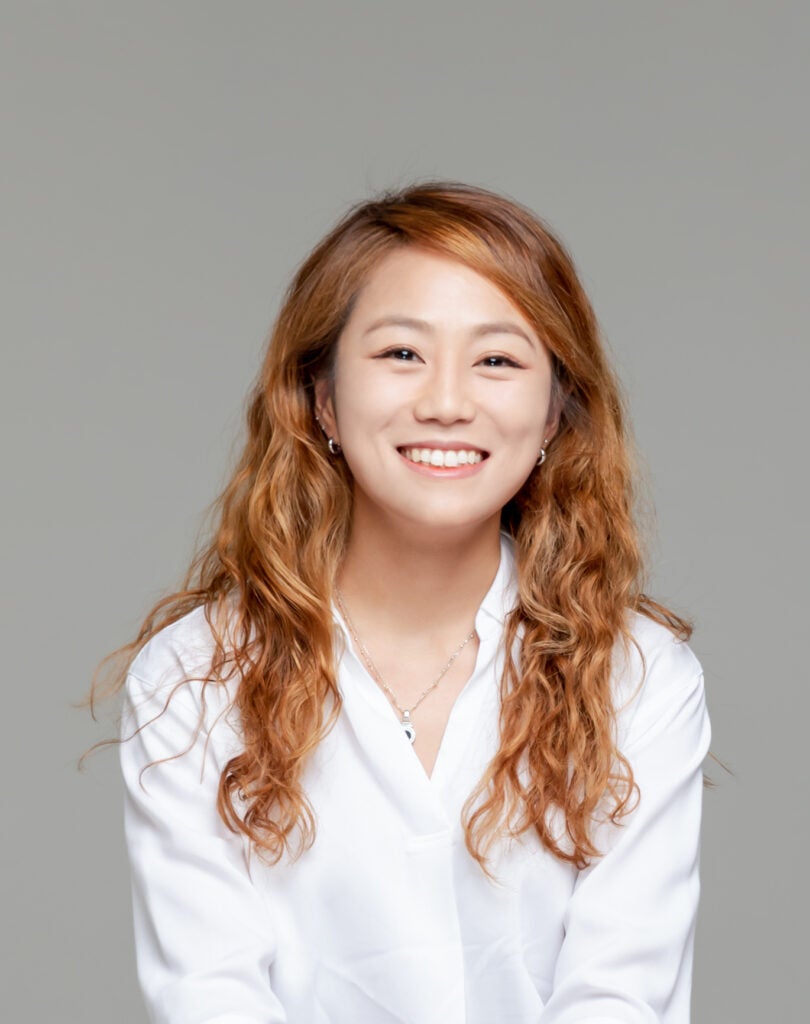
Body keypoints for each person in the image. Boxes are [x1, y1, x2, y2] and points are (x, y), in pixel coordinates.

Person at [99, 180, 711, 1023]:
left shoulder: (641, 678)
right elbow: (211, 997)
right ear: (322, 400)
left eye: (497, 359)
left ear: (555, 415)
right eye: (400, 354)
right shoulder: (195, 677)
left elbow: (619, 998)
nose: (448, 403)